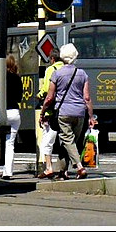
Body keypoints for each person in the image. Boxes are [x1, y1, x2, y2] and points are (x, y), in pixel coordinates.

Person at [39, 42, 95, 180]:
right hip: (80, 113)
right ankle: (62, 172)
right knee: (69, 142)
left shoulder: (57, 74)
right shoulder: (82, 74)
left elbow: (49, 97)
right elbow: (87, 98)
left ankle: (80, 167)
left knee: (67, 141)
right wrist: (91, 117)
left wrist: (43, 112)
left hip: (63, 113)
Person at [37, 49, 65, 178]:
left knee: (47, 141)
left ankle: (48, 167)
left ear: (52, 59)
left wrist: (39, 96)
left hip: (52, 111)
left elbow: (47, 91)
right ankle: (64, 170)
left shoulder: (51, 70)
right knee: (65, 141)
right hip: (67, 110)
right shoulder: (69, 70)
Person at [2, 54, 23, 179]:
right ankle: (8, 172)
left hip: (2, 113)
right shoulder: (17, 78)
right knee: (10, 144)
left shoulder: (0, 78)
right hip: (14, 112)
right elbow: (19, 98)